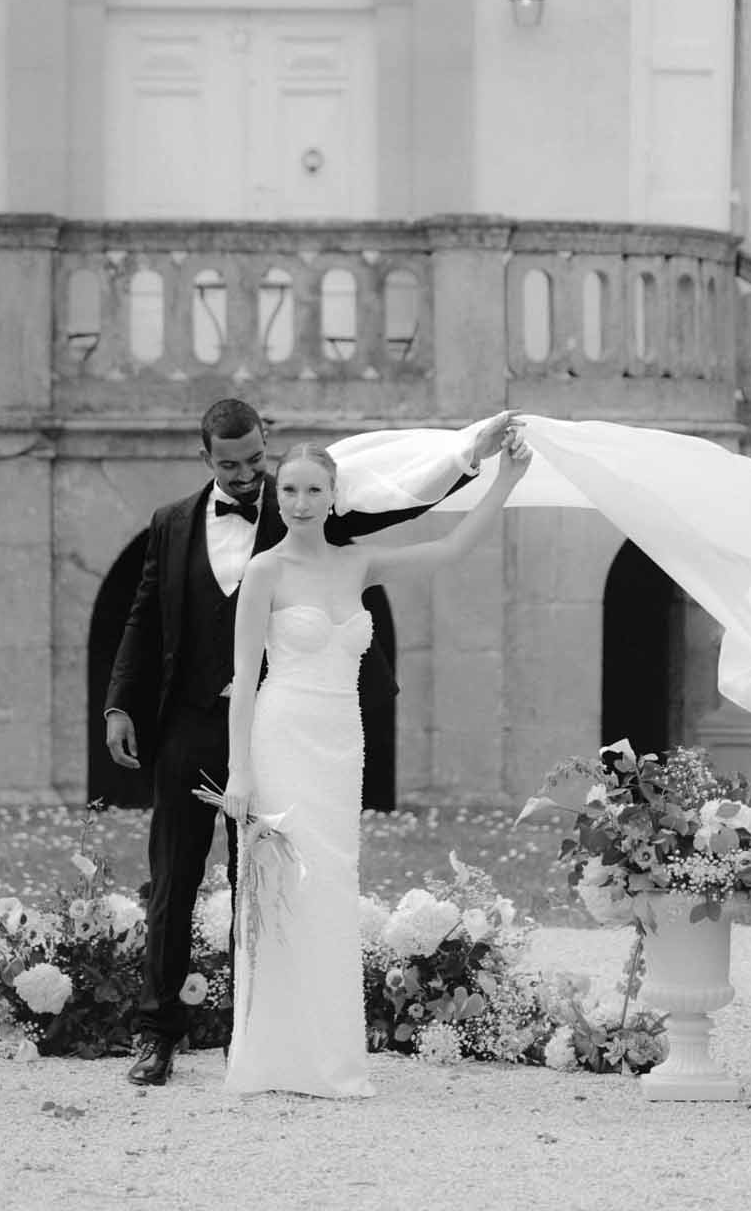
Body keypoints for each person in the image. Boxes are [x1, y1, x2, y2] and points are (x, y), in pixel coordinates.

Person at [104, 396, 515, 1088]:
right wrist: (121, 702)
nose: (250, 478)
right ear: (205, 459)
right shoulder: (172, 523)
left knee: (267, 885)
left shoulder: (312, 508)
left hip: (305, 732)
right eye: (229, 465)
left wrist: (478, 455)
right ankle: (156, 1032)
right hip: (195, 723)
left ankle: (257, 1031)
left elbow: (407, 502)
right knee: (173, 879)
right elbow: (145, 615)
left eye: (255, 461)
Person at [221, 422, 532, 1099]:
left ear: (335, 497)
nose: (302, 501)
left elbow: (450, 549)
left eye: (315, 489)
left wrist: (504, 480)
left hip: (340, 737)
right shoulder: (264, 571)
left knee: (331, 890)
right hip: (281, 734)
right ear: (278, 498)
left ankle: (331, 1063)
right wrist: (239, 771)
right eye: (292, 489)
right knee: (281, 890)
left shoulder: (357, 562)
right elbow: (244, 680)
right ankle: (269, 1057)